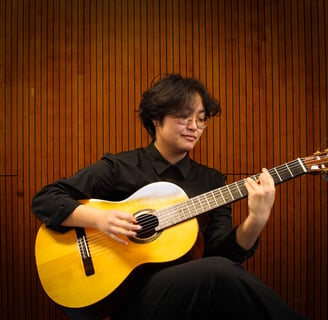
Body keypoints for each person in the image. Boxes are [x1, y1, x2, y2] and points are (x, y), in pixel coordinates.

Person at [31, 74, 307, 320]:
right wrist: (100, 218)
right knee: (217, 274)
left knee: (218, 272)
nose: (194, 126)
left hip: (177, 293)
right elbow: (46, 198)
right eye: (184, 116)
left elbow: (220, 256)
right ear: (156, 118)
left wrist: (256, 219)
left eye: (201, 119)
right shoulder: (120, 167)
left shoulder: (211, 181)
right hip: (120, 296)